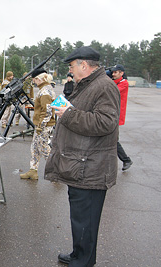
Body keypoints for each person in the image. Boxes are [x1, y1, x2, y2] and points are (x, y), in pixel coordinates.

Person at [44, 47, 120, 266]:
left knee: (85, 220)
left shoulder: (103, 87)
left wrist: (68, 113)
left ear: (83, 65)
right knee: (80, 220)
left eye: (72, 65)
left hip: (91, 168)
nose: (70, 70)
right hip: (81, 166)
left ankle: (84, 261)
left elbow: (106, 123)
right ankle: (79, 254)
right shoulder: (88, 84)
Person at [20, 68, 56, 180]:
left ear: (39, 79)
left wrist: (41, 125)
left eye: (34, 80)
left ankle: (57, 171)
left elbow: (47, 111)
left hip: (44, 126)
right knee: (35, 147)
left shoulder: (45, 91)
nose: (34, 82)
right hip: (42, 125)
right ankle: (33, 170)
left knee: (44, 149)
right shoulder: (45, 89)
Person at [112, 64, 133, 171]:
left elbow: (112, 90)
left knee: (113, 139)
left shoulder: (123, 83)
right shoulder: (114, 81)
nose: (113, 74)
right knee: (111, 139)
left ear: (122, 73)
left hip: (116, 114)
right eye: (113, 72)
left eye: (116, 72)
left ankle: (126, 160)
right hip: (111, 113)